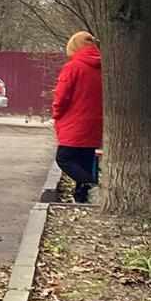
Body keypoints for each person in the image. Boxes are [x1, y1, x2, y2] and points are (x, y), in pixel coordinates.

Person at [52, 31, 103, 203]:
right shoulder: (102, 67)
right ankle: (81, 198)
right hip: (95, 122)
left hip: (74, 121)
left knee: (64, 158)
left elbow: (61, 96)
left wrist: (57, 114)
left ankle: (91, 184)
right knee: (84, 161)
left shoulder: (73, 67)